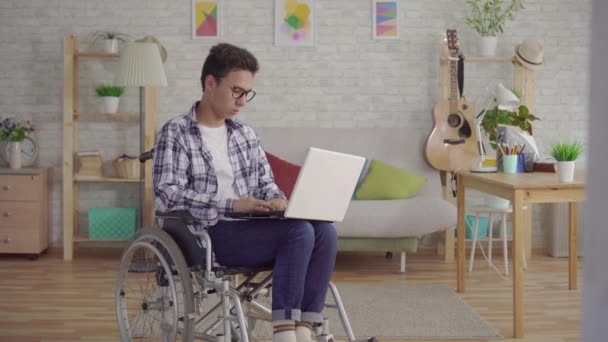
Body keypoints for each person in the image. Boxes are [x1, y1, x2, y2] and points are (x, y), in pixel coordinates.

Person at [152, 42, 338, 342]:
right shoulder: (176, 132)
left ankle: (306, 327)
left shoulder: (244, 134)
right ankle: (284, 332)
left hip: (252, 226)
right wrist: (232, 205)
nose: (243, 101)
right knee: (299, 232)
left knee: (324, 232)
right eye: (236, 90)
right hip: (208, 233)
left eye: (247, 93)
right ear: (210, 83)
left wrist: (277, 200)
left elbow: (265, 182)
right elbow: (166, 195)